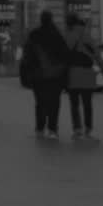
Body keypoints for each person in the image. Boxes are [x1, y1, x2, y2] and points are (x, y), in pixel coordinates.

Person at [20, 10, 70, 140]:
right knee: (54, 102)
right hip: (56, 75)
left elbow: (27, 56)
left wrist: (27, 73)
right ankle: (52, 129)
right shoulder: (57, 35)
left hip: (38, 75)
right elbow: (65, 55)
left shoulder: (34, 35)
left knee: (40, 102)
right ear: (51, 19)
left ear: (41, 20)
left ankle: (40, 128)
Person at [63, 13, 103, 139]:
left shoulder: (67, 36)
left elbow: (62, 57)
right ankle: (88, 128)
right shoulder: (87, 36)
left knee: (74, 103)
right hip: (87, 73)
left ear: (69, 24)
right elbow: (97, 55)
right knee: (87, 103)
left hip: (72, 73)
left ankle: (77, 128)